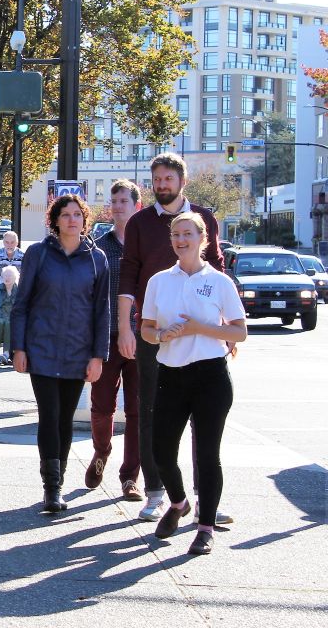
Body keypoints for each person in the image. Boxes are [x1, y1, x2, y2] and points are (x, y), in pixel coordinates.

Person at [117, 153, 226, 523]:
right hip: (154, 333)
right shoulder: (140, 223)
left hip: (203, 336)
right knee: (152, 412)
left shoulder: (205, 218)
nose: (162, 185)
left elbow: (218, 270)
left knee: (204, 420)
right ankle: (156, 493)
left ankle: (205, 499)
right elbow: (128, 273)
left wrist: (225, 329)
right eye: (157, 179)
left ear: (182, 181)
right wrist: (126, 327)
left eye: (168, 178)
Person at [140, 211, 246, 555]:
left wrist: (200, 328)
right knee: (161, 452)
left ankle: (205, 528)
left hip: (210, 376)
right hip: (171, 374)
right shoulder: (159, 281)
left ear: (203, 239)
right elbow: (146, 330)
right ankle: (178, 503)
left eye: (188, 234)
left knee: (207, 455)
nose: (181, 240)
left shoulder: (219, 282)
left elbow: (239, 332)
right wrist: (162, 334)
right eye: (176, 234)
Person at [10, 194, 110, 513]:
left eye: (77, 214)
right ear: (55, 220)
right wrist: (18, 347)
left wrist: (98, 356)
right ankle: (51, 488)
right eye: (65, 215)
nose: (72, 220)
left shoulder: (97, 259)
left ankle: (59, 483)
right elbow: (21, 304)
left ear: (85, 219)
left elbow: (102, 312)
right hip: (42, 349)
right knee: (49, 415)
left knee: (65, 418)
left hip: (78, 352)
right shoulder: (38, 254)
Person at [87, 179, 145, 500]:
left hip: (142, 337)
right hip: (106, 337)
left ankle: (130, 477)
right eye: (114, 201)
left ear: (137, 205)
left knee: (137, 409)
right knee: (102, 405)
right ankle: (101, 451)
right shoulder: (99, 246)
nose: (118, 207)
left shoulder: (148, 245)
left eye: (124, 201)